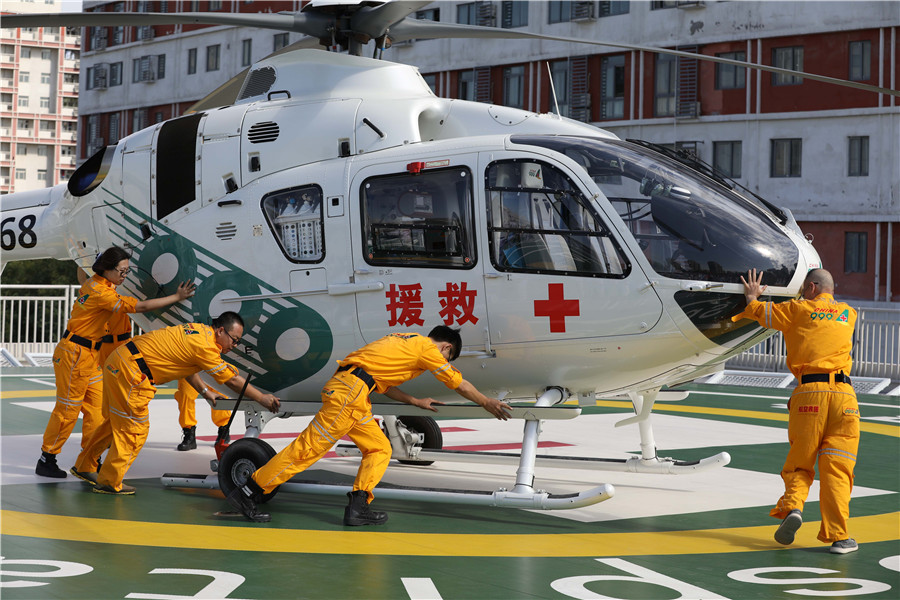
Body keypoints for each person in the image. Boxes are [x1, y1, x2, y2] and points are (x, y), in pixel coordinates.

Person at [227, 326, 512, 525]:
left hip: (354, 393)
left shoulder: (405, 340)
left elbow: (382, 385)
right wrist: (487, 402)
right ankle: (249, 491)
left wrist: (414, 400)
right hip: (349, 395)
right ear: (446, 347)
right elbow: (457, 382)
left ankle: (358, 506)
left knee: (378, 448)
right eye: (447, 357)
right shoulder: (427, 348)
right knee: (307, 450)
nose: (442, 362)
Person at [71, 311, 280, 494]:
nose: (234, 346)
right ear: (220, 332)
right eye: (234, 340)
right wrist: (261, 398)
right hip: (132, 373)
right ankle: (109, 481)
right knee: (134, 430)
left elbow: (186, 365)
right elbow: (232, 380)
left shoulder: (198, 331)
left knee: (114, 423)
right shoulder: (205, 346)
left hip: (119, 362)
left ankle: (85, 464)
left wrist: (205, 392)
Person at [36, 246, 195, 479]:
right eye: (121, 271)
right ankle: (46, 458)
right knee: (68, 409)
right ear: (107, 269)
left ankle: (88, 460)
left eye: (127, 271)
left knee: (97, 410)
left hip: (90, 355)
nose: (124, 275)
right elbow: (138, 307)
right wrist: (176, 297)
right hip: (75, 355)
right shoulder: (102, 292)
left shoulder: (100, 283)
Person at [732, 268, 860, 554]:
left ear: (812, 288)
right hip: (845, 399)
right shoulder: (848, 314)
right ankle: (839, 537)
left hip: (810, 396)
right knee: (837, 471)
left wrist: (752, 297)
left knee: (801, 463)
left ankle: (793, 508)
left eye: (804, 287)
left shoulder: (797, 310)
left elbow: (758, 312)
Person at [174, 378, 232, 451]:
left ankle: (224, 431)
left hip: (212, 368)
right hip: (190, 368)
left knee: (219, 395)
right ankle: (189, 433)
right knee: (185, 395)